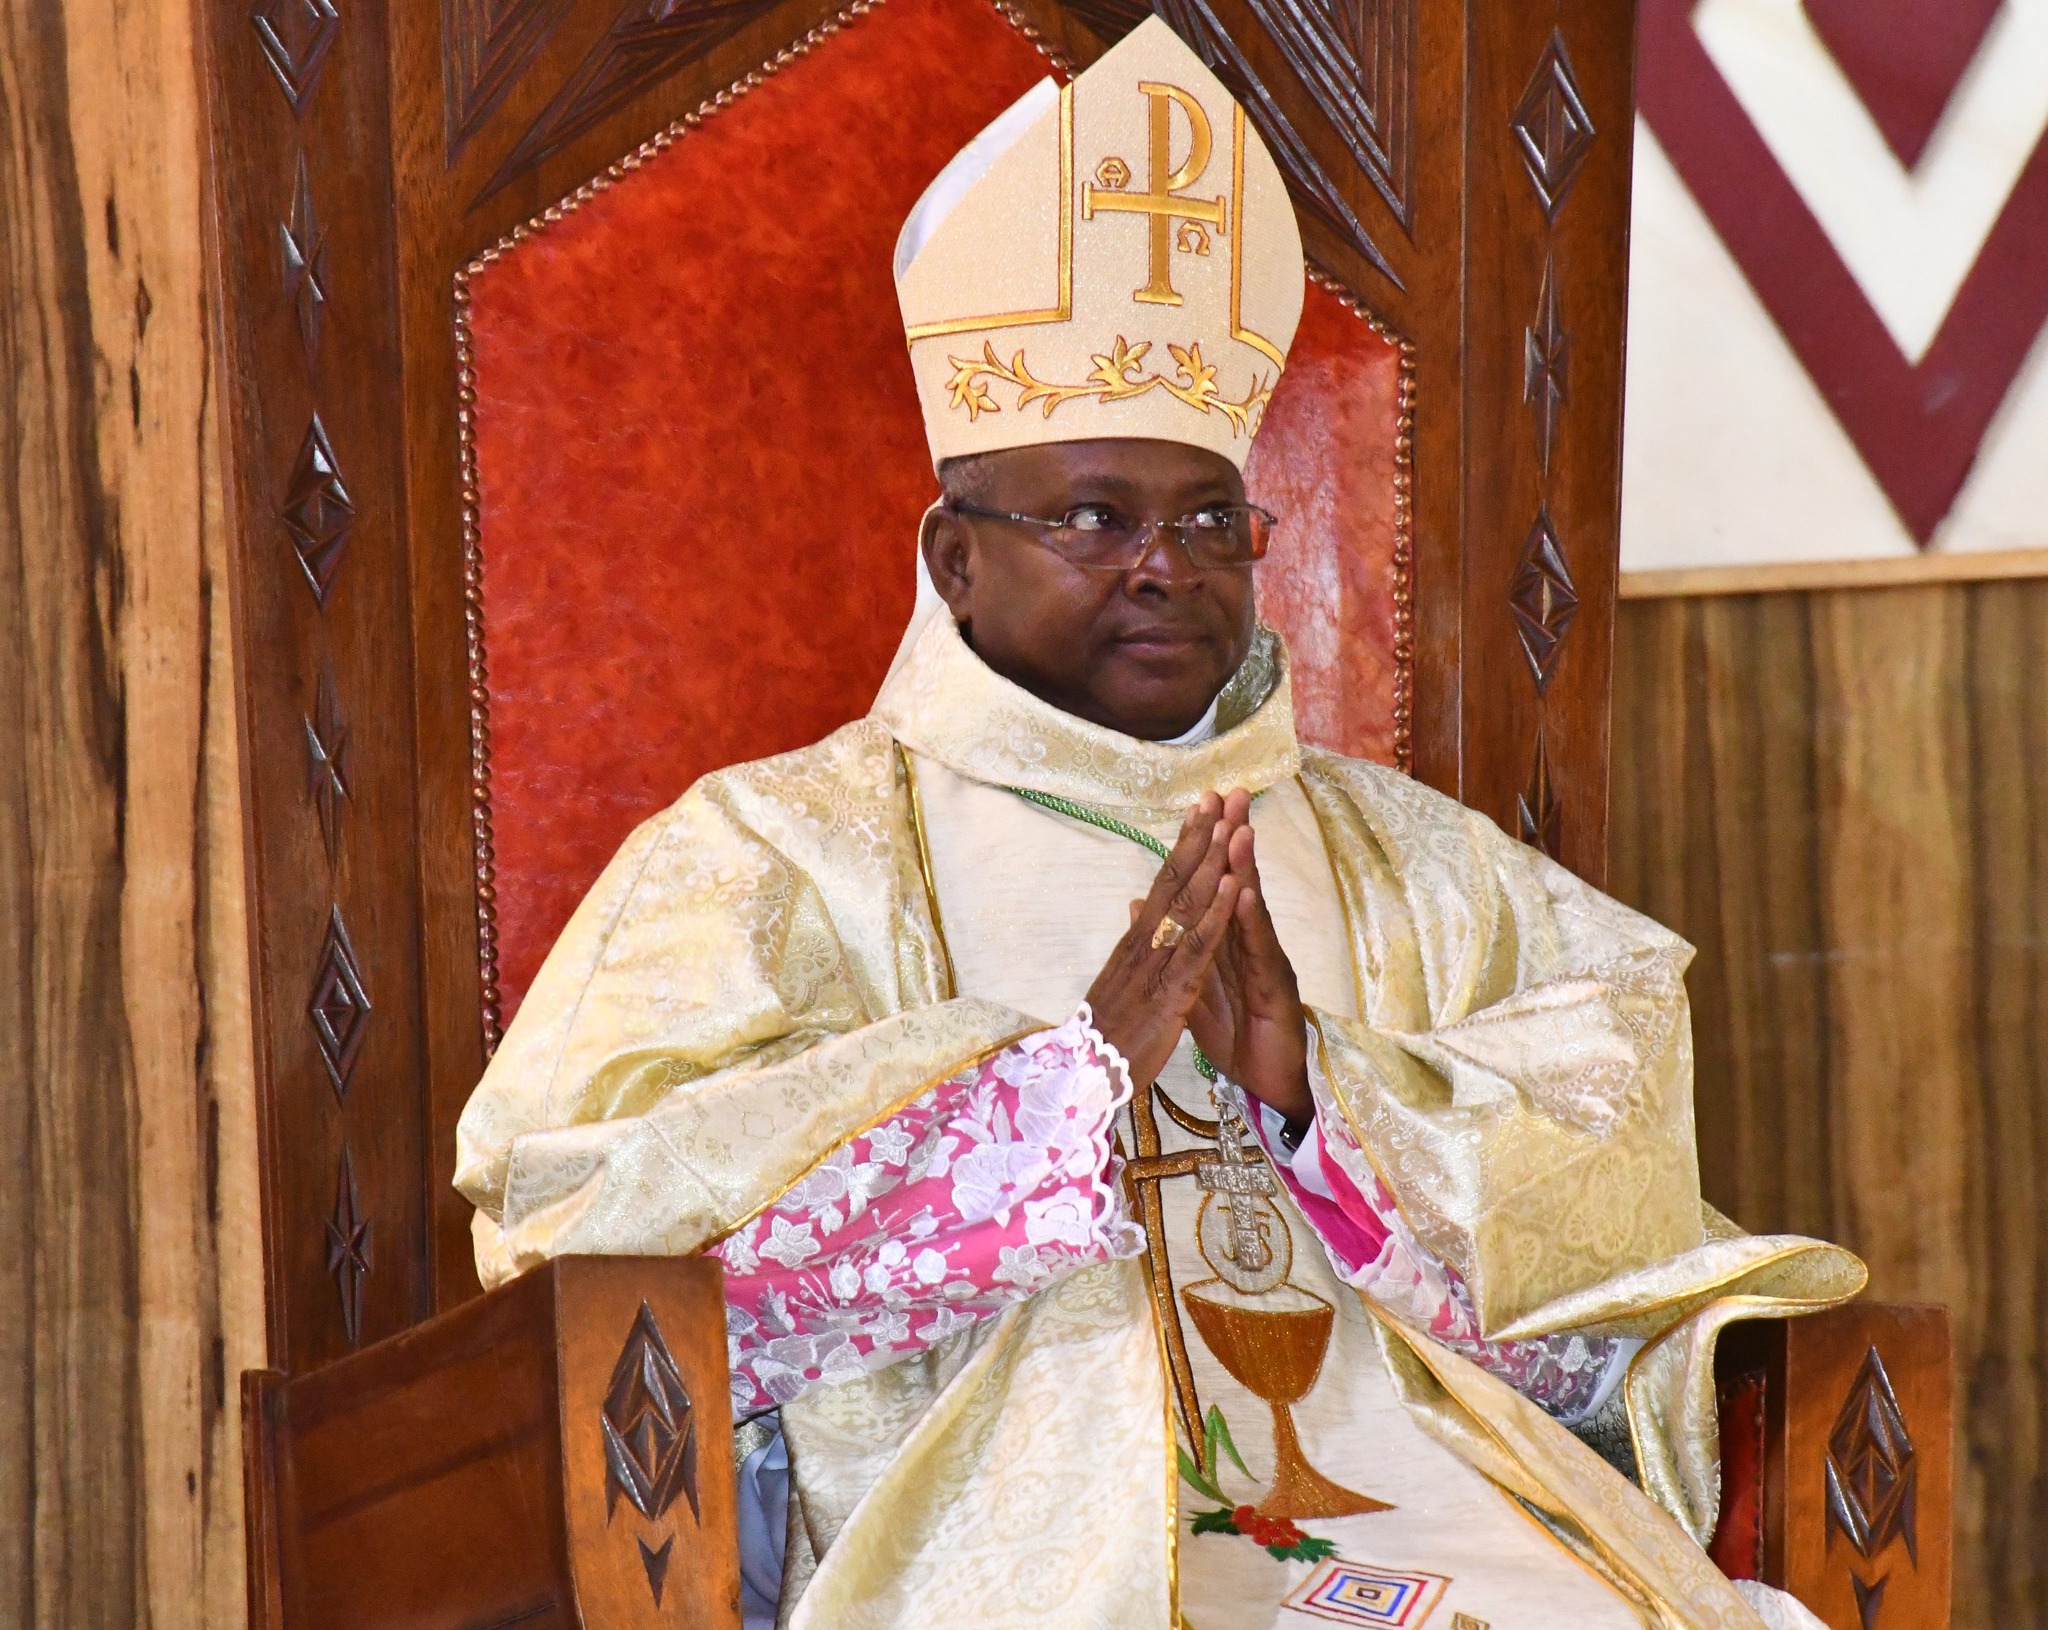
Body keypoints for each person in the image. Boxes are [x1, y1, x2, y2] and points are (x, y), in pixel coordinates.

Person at [454, 21, 1862, 1628]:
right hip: (1022, 1556)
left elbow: (1605, 1262)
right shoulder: (770, 857)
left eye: (1209, 517)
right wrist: (1058, 1095)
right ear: (950, 556)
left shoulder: (1420, 864)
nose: (1165, 563)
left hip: (1452, 1526)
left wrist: (1333, 1104)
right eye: (1090, 516)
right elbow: (590, 1260)